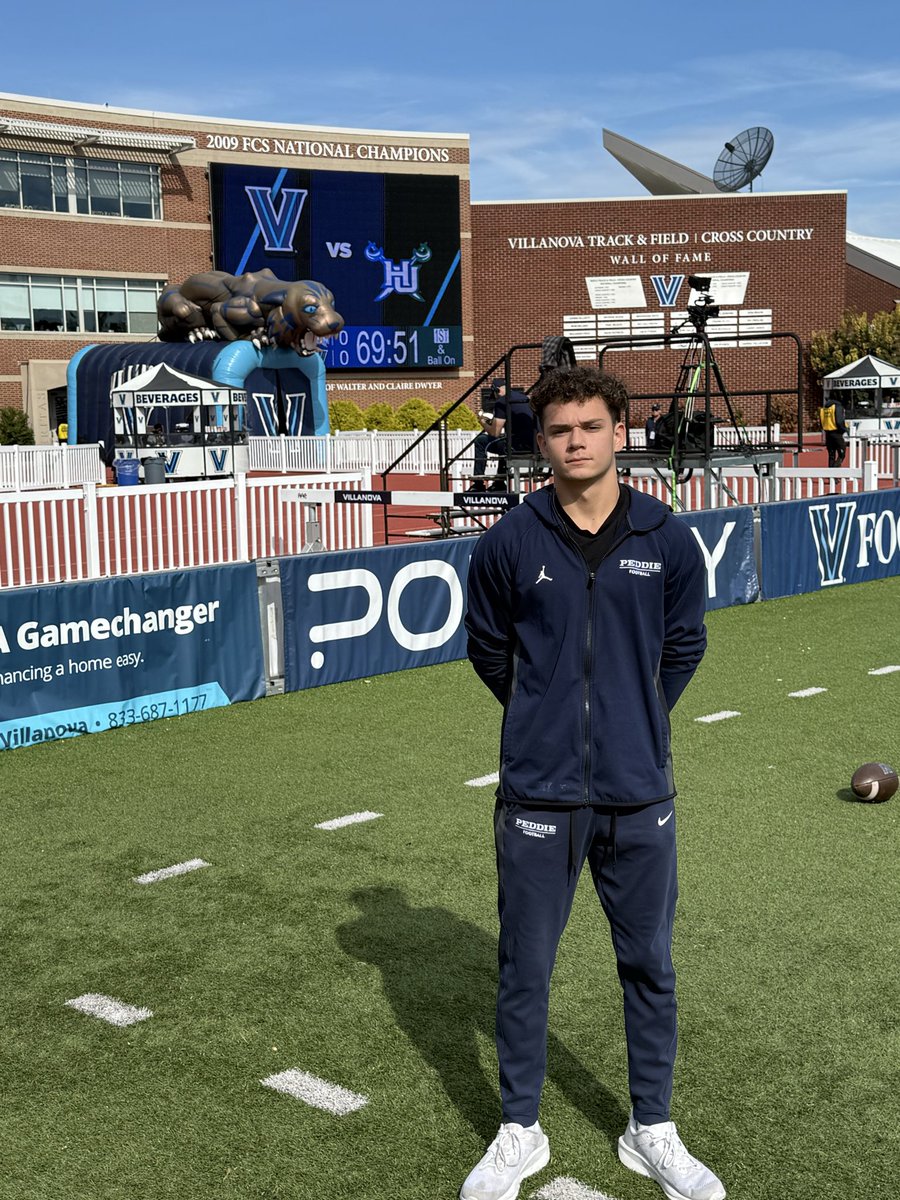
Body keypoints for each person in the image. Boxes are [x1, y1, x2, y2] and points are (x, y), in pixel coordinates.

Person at [462, 365, 723, 1200]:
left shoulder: (667, 538)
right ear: (542, 442)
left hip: (638, 791)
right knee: (524, 968)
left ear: (620, 432)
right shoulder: (509, 541)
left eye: (590, 426)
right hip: (538, 795)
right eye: (560, 430)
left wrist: (630, 718)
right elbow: (490, 651)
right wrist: (544, 716)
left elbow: (683, 649)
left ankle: (652, 1129)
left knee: (649, 963)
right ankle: (519, 1131)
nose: (576, 441)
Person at [470, 382, 537, 492]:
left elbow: (494, 432)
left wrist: (482, 421)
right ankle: (499, 482)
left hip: (517, 446)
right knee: (504, 441)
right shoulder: (524, 398)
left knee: (480, 441)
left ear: (497, 391)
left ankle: (478, 483)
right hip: (534, 445)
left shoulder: (502, 402)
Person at [819, 394, 848, 467]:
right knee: (842, 454)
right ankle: (835, 469)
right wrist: (844, 429)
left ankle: (831, 475)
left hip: (828, 433)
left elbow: (821, 422)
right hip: (836, 433)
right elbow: (839, 421)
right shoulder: (837, 407)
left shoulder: (823, 409)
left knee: (831, 455)